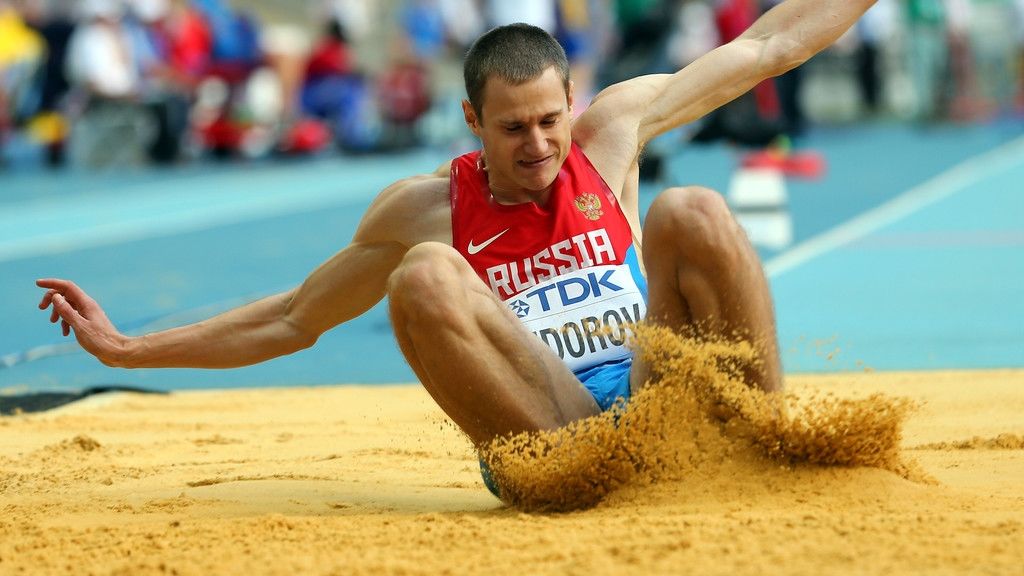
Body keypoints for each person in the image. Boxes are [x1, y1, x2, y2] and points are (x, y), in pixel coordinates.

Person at [38, 1, 879, 500]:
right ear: (473, 122)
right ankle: (575, 484)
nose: (541, 146)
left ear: (571, 102)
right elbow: (295, 319)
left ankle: (771, 440)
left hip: (661, 403)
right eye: (514, 129)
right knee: (425, 276)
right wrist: (129, 347)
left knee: (691, 206)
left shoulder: (612, 135)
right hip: (552, 434)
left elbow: (769, 46)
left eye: (551, 121)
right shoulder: (425, 210)